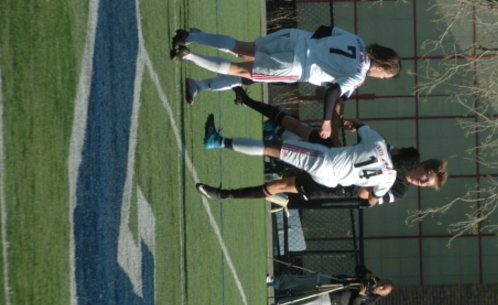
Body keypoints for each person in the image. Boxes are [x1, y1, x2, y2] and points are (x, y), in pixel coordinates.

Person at [231, 86, 448, 206]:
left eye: (426, 185)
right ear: (423, 166)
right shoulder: (396, 157)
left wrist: (369, 182)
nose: (421, 183)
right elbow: (376, 142)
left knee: (282, 184)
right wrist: (352, 126)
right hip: (336, 154)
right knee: (296, 126)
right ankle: (247, 102)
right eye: (426, 179)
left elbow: (365, 196)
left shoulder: (398, 190)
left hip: (336, 184)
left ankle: (230, 194)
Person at [170, 26, 400, 138]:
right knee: (240, 70)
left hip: (296, 40)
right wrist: (327, 123)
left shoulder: (358, 40)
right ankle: (188, 55)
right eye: (384, 76)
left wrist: (315, 51)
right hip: (296, 66)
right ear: (380, 67)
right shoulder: (359, 75)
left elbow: (325, 30)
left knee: (242, 48)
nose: (380, 78)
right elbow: (333, 94)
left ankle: (191, 37)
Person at [195, 114, 421, 205]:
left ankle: (216, 141)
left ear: (399, 153)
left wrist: (349, 123)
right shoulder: (388, 179)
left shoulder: (379, 144)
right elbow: (371, 198)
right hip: (331, 183)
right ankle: (226, 195)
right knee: (280, 182)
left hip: (323, 161)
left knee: (272, 149)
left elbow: (359, 124)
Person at [270, 265, 393, 305]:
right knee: (301, 282)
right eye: (382, 284)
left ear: (383, 294)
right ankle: (275, 282)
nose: (380, 287)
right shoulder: (371, 279)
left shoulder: (371, 301)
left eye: (383, 289)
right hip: (331, 281)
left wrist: (360, 295)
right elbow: (358, 267)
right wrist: (367, 273)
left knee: (302, 303)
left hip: (331, 298)